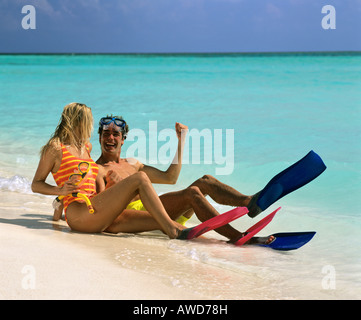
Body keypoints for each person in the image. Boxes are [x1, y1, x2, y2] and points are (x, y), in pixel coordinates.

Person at [94, 115, 274, 244]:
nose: (110, 138)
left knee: (205, 181)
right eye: (106, 134)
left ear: (123, 139)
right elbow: (100, 212)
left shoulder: (132, 164)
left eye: (115, 134)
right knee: (192, 193)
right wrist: (112, 186)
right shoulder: (98, 170)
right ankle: (240, 237)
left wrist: (181, 141)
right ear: (100, 138)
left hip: (158, 206)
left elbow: (170, 178)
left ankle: (249, 203)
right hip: (143, 216)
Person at [31, 102, 188, 239]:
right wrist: (60, 191)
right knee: (140, 178)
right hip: (78, 213)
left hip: (93, 206)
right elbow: (36, 184)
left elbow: (82, 179)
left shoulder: (86, 147)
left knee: (155, 217)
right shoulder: (55, 148)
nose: (91, 126)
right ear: (78, 121)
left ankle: (188, 233)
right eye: (88, 121)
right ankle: (172, 230)